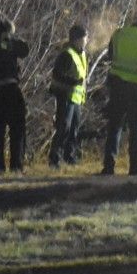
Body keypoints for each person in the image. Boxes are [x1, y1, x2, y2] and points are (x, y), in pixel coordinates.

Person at [100, 8, 137, 176]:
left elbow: (110, 55)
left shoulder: (119, 34)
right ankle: (135, 167)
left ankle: (108, 166)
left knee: (114, 126)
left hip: (118, 86)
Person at [0, 17, 31, 174]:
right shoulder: (3, 43)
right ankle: (16, 167)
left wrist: (3, 32)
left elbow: (24, 49)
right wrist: (7, 33)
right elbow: (23, 49)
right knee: (17, 131)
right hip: (11, 89)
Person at [48, 23, 89, 167]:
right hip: (65, 96)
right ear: (77, 39)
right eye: (85, 37)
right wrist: (73, 82)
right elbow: (57, 75)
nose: (87, 40)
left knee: (74, 129)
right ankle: (55, 158)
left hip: (76, 98)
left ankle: (69, 156)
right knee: (63, 128)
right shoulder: (67, 54)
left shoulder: (81, 53)